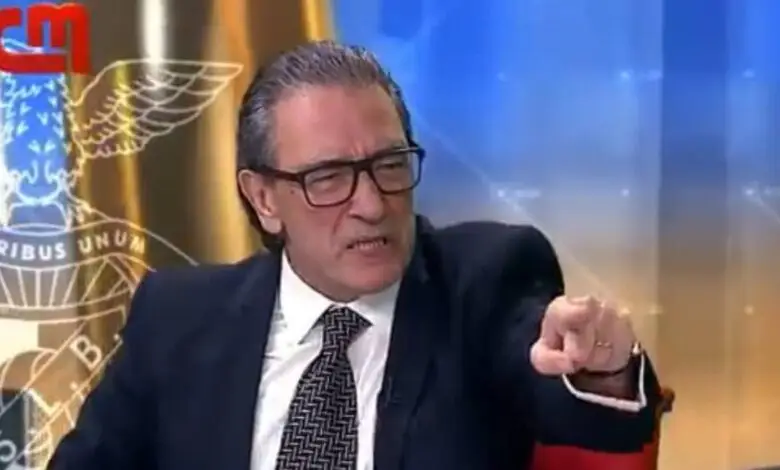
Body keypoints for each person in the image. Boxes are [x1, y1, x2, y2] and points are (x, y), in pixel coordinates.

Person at [48, 41, 663, 470]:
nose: (371, 204)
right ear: (263, 199)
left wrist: (600, 370)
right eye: (328, 177)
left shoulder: (484, 280)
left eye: (389, 165)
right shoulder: (178, 318)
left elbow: (578, 410)